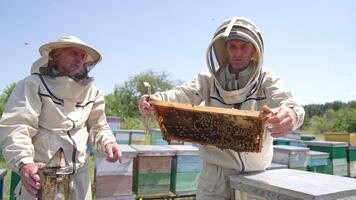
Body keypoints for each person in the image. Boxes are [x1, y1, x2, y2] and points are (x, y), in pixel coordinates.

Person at [138, 17, 305, 200]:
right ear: (224, 48)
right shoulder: (207, 80)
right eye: (232, 46)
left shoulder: (267, 79)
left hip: (255, 175)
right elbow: (180, 94)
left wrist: (290, 114)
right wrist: (154, 100)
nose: (237, 53)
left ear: (254, 50)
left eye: (244, 46)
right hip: (214, 177)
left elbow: (288, 102)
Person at [0, 36, 121, 200]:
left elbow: (98, 126)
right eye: (74, 53)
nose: (79, 59)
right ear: (55, 56)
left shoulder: (93, 92)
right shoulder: (33, 84)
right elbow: (17, 126)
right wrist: (24, 162)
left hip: (80, 178)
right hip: (42, 176)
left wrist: (108, 142)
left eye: (82, 56)